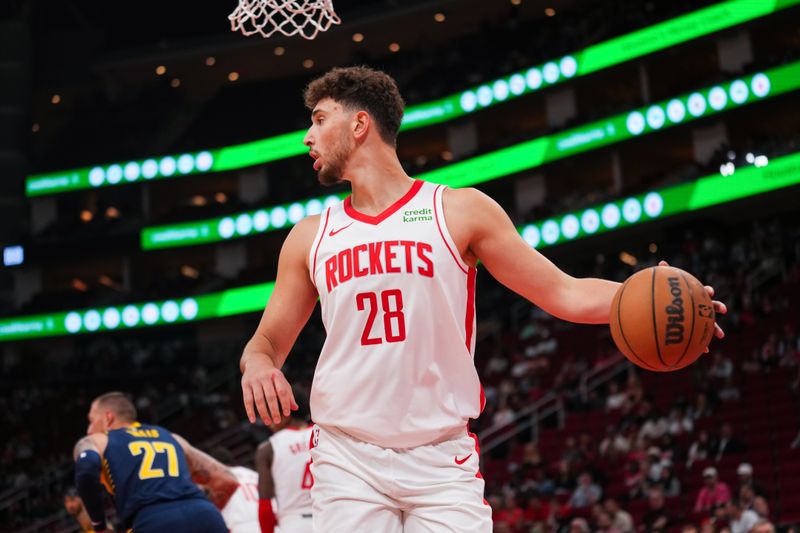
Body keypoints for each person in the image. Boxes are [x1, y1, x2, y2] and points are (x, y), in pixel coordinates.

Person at [238, 66, 727, 532]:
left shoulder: (458, 210)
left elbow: (563, 291)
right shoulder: (310, 236)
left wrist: (651, 297)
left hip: (440, 456)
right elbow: (266, 342)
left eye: (320, 120)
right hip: (347, 458)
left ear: (360, 123)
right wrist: (258, 364)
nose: (308, 136)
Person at [73, 392, 229, 533]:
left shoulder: (100, 440)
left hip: (153, 520)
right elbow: (224, 478)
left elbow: (86, 470)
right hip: (204, 515)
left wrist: (99, 526)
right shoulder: (172, 437)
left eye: (92, 421)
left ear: (108, 418)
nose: (89, 429)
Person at [255, 390, 314, 533]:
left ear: (286, 413)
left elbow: (265, 506)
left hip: (294, 524)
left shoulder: (268, 448)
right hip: (332, 518)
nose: (269, 422)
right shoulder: (323, 434)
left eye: (272, 412)